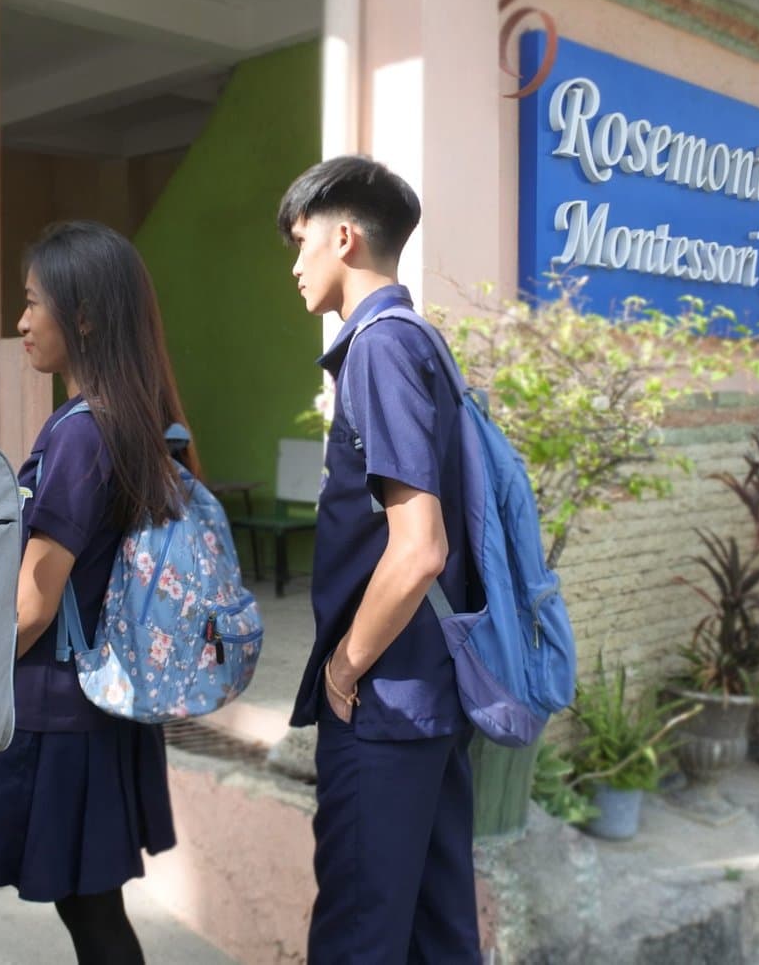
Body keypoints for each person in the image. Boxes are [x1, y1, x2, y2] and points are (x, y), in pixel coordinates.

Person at [0, 221, 182, 965]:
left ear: (87, 315)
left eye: (35, 304)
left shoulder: (79, 434)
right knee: (90, 907)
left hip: (35, 710)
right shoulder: (135, 420)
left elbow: (34, 604)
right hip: (92, 709)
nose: (22, 322)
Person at [277, 155, 482, 963]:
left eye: (302, 243)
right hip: (427, 695)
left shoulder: (379, 349)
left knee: (359, 935)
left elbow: (418, 546)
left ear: (345, 236)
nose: (296, 265)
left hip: (384, 703)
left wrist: (343, 669)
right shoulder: (421, 342)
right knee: (436, 931)